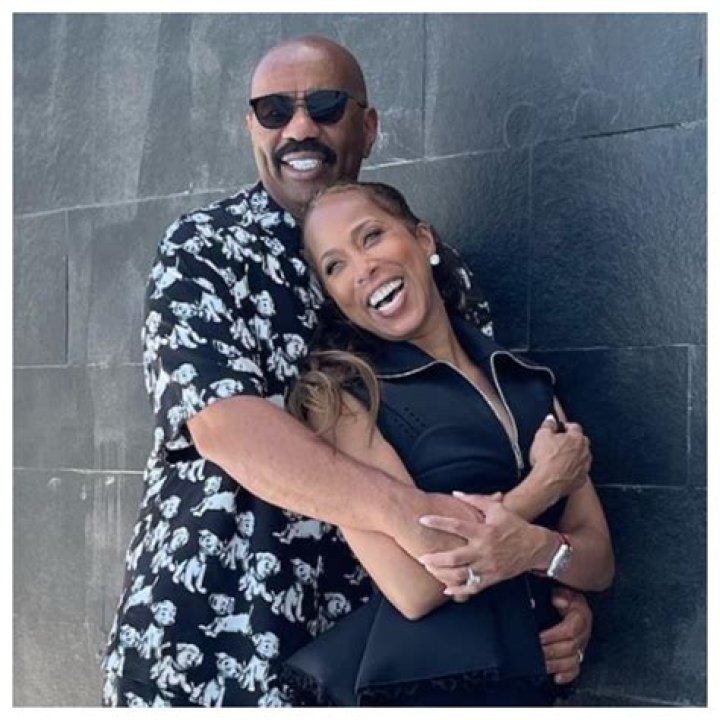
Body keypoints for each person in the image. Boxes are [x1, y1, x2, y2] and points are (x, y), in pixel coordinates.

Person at [101, 35, 594, 708]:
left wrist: (554, 590)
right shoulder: (205, 250)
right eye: (275, 110)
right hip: (216, 635)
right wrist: (424, 523)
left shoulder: (441, 273)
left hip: (380, 656)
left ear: (368, 126)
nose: (300, 128)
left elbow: (489, 451)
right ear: (252, 127)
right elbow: (225, 426)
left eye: (326, 105)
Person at [283, 180, 614, 706]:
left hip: (528, 689)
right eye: (335, 266)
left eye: (371, 236)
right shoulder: (343, 399)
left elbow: (598, 563)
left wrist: (539, 550)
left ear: (424, 240)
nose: (362, 268)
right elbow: (414, 588)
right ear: (335, 298)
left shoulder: (526, 380)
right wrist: (543, 488)